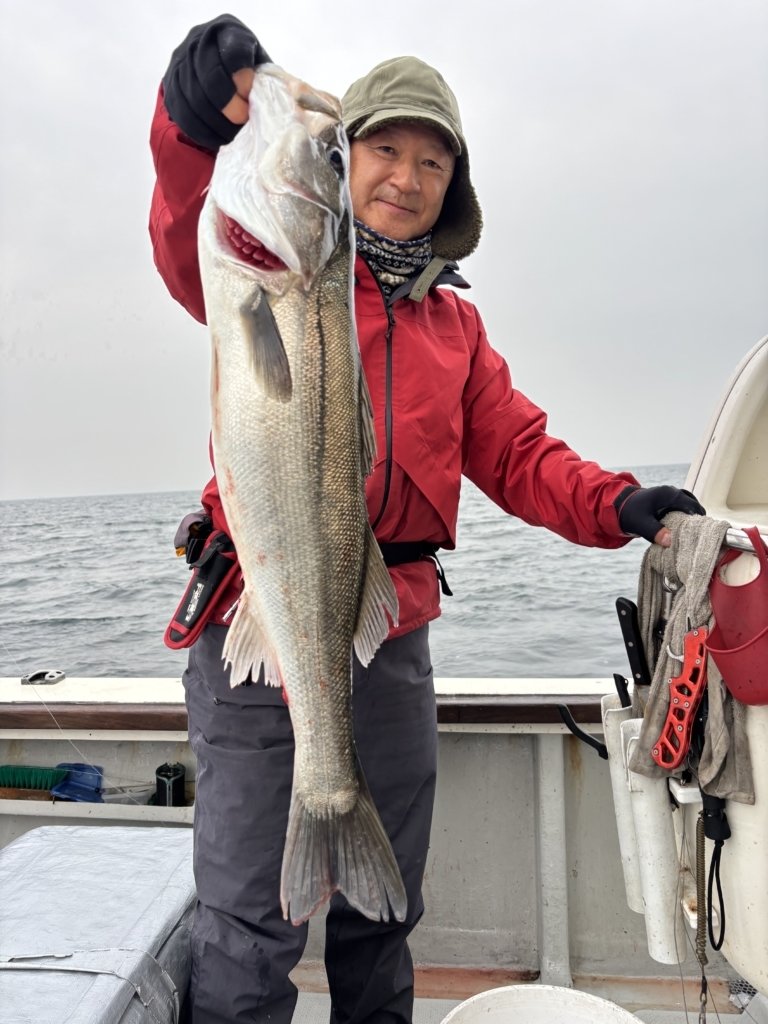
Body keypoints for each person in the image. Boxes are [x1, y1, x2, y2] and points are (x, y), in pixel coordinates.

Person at [149, 15, 705, 1024]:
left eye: (433, 162)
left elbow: (520, 454)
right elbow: (185, 227)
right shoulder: (265, 271)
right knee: (248, 923)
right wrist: (186, 126)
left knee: (382, 914)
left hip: (391, 630)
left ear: (454, 188)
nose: (406, 179)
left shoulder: (456, 326)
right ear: (345, 161)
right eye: (383, 150)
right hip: (258, 624)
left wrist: (623, 503)